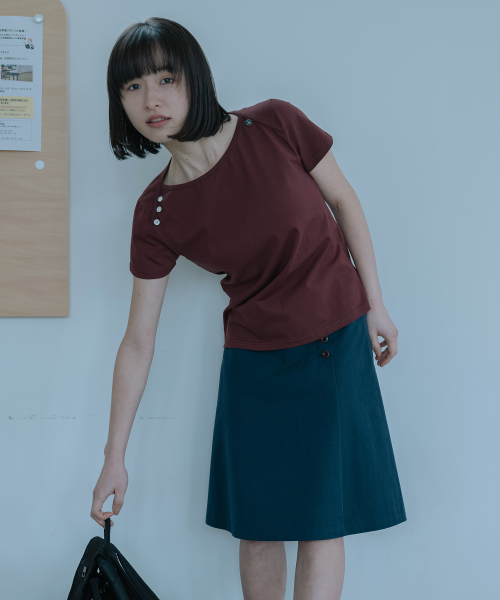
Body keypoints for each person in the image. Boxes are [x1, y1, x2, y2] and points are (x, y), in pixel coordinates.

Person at [91, 16, 407, 600]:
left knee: (320, 521)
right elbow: (137, 341)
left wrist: (376, 304)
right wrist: (115, 457)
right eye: (133, 86)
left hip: (333, 337)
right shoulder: (156, 212)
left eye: (165, 79)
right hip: (254, 362)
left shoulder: (275, 123)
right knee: (258, 527)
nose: (151, 99)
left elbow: (344, 200)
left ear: (195, 78)